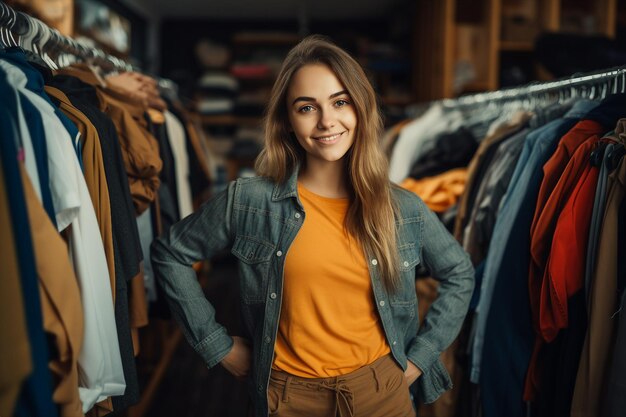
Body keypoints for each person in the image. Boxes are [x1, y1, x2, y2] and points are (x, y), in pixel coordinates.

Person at [151, 35, 474, 417]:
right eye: (307, 108)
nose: (326, 121)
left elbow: (460, 273)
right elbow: (170, 252)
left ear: (360, 109)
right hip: (286, 398)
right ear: (287, 121)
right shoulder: (250, 202)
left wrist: (419, 357)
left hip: (381, 394)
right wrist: (216, 345)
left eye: (340, 102)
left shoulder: (402, 208)